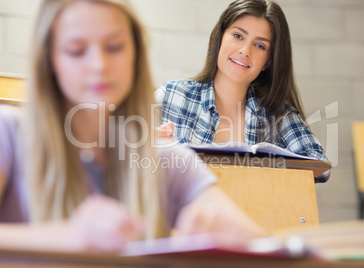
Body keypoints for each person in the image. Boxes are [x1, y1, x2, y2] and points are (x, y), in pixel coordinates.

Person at [0, 0, 265, 253]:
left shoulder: (170, 160)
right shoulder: (8, 133)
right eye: (76, 51)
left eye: (114, 47)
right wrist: (68, 237)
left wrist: (224, 233)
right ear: (49, 61)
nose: (99, 66)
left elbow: (266, 248)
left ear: (135, 56)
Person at [155, 0, 330, 182]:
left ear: (268, 62)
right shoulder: (171, 95)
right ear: (221, 37)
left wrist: (267, 166)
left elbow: (321, 167)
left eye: (260, 46)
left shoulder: (278, 115)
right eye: (238, 36)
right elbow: (128, 157)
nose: (245, 51)